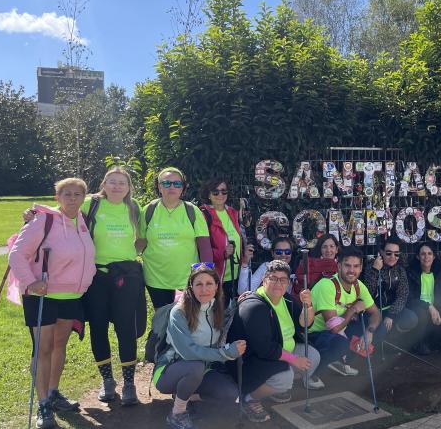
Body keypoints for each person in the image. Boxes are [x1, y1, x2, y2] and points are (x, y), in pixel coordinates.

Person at [9, 178, 96, 429]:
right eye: (66, 194)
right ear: (57, 198)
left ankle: (54, 392)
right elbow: (17, 254)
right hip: (41, 296)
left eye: (77, 194)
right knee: (43, 348)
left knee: (59, 346)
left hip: (71, 297)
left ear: (83, 198)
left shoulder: (83, 221)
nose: (72, 198)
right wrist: (30, 281)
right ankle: (43, 404)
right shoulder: (42, 221)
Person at [81, 168, 147, 406]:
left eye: (122, 183)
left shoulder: (134, 207)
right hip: (96, 275)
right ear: (104, 184)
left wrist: (133, 253)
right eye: (112, 182)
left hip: (126, 276)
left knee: (126, 328)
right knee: (98, 327)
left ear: (129, 187)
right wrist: (33, 214)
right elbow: (62, 215)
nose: (117, 186)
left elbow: (142, 238)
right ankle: (107, 381)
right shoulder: (91, 204)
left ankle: (129, 384)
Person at [228, 260, 323, 422]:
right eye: (273, 278)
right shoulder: (254, 306)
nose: (278, 283)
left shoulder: (286, 298)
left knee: (313, 357)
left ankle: (273, 386)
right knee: (284, 379)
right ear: (264, 280)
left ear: (287, 283)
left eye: (283, 280)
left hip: (278, 352)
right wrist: (294, 360)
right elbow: (264, 348)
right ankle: (249, 397)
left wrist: (308, 306)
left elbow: (305, 324)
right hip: (250, 361)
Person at [154, 263, 245, 429]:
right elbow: (188, 353)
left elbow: (233, 311)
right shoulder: (179, 312)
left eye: (209, 284)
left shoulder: (217, 308)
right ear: (191, 287)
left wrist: (243, 301)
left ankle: (185, 395)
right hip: (169, 371)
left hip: (203, 369)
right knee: (194, 367)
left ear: (217, 286)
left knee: (229, 393)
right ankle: (177, 413)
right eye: (199, 284)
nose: (204, 289)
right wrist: (225, 353)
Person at [140, 167, 212, 309]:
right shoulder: (148, 210)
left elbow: (204, 246)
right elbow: (140, 242)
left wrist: (206, 275)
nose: (171, 187)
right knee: (161, 321)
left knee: (187, 321)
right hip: (155, 279)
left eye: (177, 184)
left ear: (182, 188)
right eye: (166, 183)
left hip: (187, 279)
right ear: (159, 187)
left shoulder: (192, 211)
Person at [308, 246, 382, 379]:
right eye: (347, 266)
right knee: (340, 344)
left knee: (375, 328)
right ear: (339, 266)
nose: (351, 271)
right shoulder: (327, 285)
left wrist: (369, 332)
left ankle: (341, 361)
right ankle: (311, 373)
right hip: (313, 333)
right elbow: (334, 328)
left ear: (360, 268)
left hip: (337, 330)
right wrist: (353, 309)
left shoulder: (358, 285)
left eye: (356, 266)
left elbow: (376, 313)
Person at [199, 178, 254, 301]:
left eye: (224, 191)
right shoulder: (203, 215)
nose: (220, 195)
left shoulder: (232, 212)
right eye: (215, 192)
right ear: (208, 194)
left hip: (235, 274)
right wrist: (222, 253)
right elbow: (200, 249)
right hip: (216, 275)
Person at [362, 237, 418, 340]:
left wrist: (391, 315)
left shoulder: (400, 270)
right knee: (381, 330)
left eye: (396, 254)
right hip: (375, 311)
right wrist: (375, 271)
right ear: (381, 253)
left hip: (393, 310)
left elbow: (403, 294)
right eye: (388, 253)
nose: (393, 257)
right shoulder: (371, 267)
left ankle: (394, 338)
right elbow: (368, 294)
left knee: (411, 318)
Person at [406, 242, 441, 355]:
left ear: (434, 256)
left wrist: (438, 308)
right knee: (422, 313)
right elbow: (410, 299)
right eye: (423, 254)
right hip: (418, 308)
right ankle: (418, 343)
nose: (426, 257)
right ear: (417, 256)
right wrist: (429, 306)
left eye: (430, 253)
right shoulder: (411, 273)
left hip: (435, 309)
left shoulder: (439, 273)